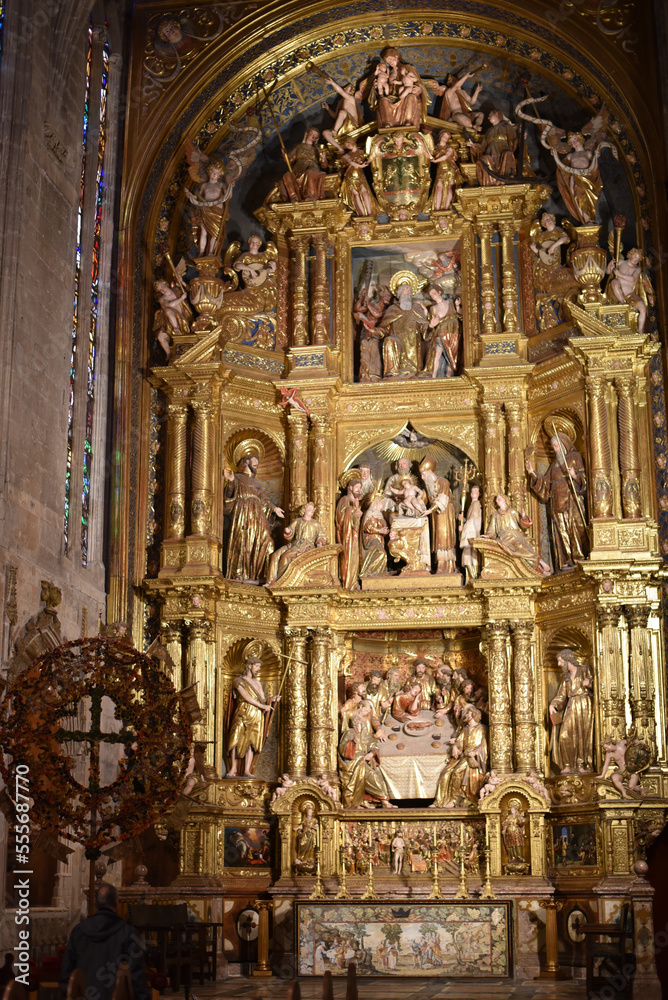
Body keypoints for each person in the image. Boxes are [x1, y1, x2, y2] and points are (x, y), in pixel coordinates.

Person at [59, 884, 148, 1000]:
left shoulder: (79, 931)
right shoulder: (127, 932)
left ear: (95, 903)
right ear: (116, 902)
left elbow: (67, 974)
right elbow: (136, 977)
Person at [526, 432, 588, 572]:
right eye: (553, 446)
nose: (555, 449)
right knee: (561, 532)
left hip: (572, 500)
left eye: (556, 445)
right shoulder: (554, 465)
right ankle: (565, 559)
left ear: (563, 444)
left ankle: (579, 557)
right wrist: (532, 473)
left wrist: (574, 476)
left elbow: (584, 479)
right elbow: (545, 484)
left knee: (575, 528)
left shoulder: (575, 457)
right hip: (556, 503)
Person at [224, 449, 284, 583]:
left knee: (266, 541)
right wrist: (231, 482)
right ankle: (239, 573)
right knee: (244, 541)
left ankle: (258, 574)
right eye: (254, 459)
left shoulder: (258, 483)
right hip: (243, 512)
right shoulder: (237, 477)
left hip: (258, 515)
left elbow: (265, 500)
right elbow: (228, 497)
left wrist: (274, 509)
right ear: (246, 461)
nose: (257, 463)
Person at [226, 655, 280, 776]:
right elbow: (246, 697)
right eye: (256, 666)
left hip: (256, 714)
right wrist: (263, 706)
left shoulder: (257, 682)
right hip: (242, 711)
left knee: (252, 741)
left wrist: (272, 699)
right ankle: (233, 768)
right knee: (235, 738)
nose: (258, 669)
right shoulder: (238, 682)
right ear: (249, 666)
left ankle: (246, 770)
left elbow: (262, 699)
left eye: (259, 666)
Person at [549, 648, 594, 774]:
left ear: (567, 659)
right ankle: (568, 764)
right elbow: (561, 696)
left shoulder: (585, 671)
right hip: (571, 705)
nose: (559, 664)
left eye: (560, 661)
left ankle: (582, 765)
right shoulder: (566, 679)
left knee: (582, 735)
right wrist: (553, 705)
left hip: (584, 705)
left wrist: (589, 685)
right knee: (564, 735)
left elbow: (599, 687)